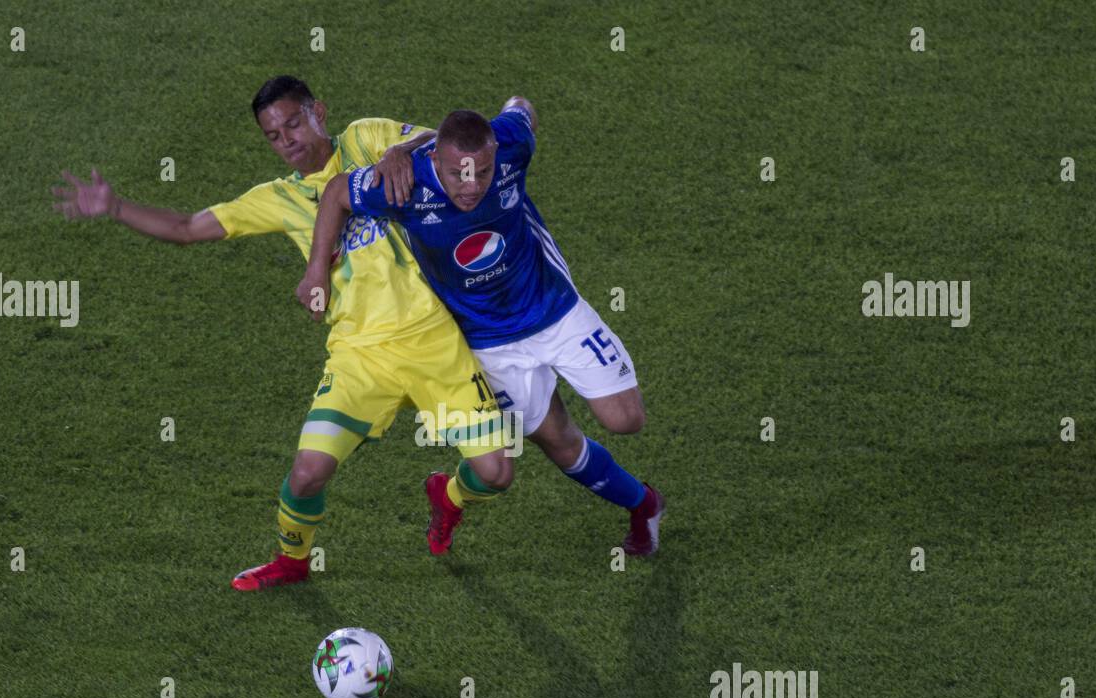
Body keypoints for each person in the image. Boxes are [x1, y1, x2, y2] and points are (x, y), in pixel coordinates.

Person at [53, 75, 512, 590]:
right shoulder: (277, 198)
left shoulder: (365, 139)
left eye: (293, 122)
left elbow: (445, 139)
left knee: (495, 474)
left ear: (319, 111)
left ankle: (447, 498)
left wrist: (398, 153)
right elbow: (187, 229)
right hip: (360, 357)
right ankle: (292, 561)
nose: (287, 139)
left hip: (436, 343)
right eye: (273, 135)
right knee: (307, 472)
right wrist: (116, 208)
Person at [300, 97, 663, 556]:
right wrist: (316, 272)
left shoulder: (510, 142)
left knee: (627, 419)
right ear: (435, 161)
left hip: (554, 308)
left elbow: (523, 107)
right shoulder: (405, 184)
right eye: (457, 175)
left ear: (494, 154)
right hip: (488, 341)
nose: (471, 187)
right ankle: (644, 504)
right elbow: (335, 193)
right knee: (553, 440)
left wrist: (435, 134)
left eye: (482, 172)